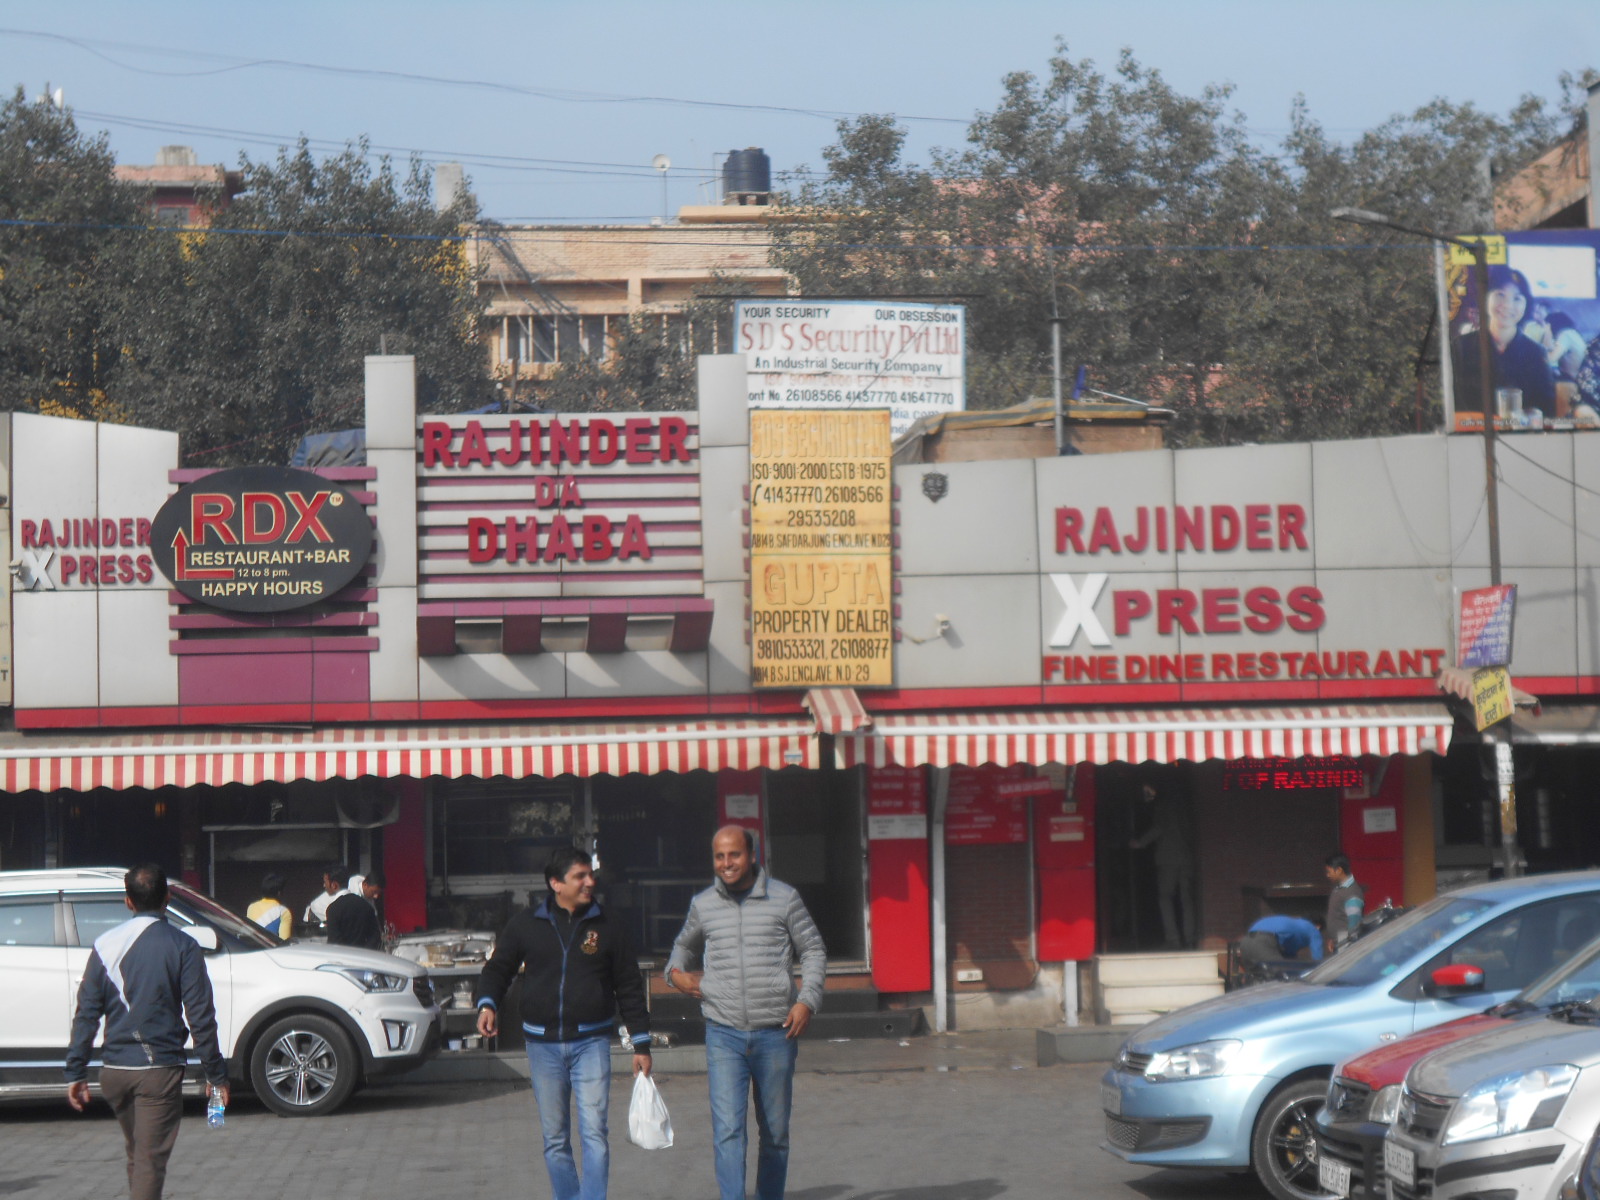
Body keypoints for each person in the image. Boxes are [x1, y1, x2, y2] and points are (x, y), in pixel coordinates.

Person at [475, 847, 651, 1200]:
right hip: (542, 1047)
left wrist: (641, 1042)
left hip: (592, 1043)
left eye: (591, 875)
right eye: (580, 876)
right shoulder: (526, 924)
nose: (590, 882)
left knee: (595, 1134)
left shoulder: (609, 925)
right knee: (555, 1139)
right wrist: (487, 1004)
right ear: (556, 883)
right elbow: (498, 968)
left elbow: (629, 984)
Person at [667, 826, 827, 1200]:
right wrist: (675, 974)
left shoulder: (784, 899)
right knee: (727, 1131)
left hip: (776, 1033)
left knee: (774, 1134)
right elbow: (682, 946)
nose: (727, 863)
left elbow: (814, 951)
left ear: (752, 856)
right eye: (719, 856)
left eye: (734, 855)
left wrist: (807, 1000)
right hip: (723, 1034)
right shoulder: (704, 904)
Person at [65, 864, 229, 1200]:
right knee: (149, 1161)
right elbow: (200, 1016)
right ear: (168, 898)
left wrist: (76, 1072)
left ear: (128, 901)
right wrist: (216, 1075)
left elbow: (87, 1014)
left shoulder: (104, 945)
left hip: (114, 1074)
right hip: (158, 1074)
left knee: (139, 1154)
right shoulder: (183, 946)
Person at [1451, 264, 1556, 418]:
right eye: (1500, 294)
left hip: (1521, 438)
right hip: (1472, 437)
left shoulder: (1536, 353)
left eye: (1517, 298)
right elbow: (1453, 404)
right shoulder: (1460, 347)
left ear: (1526, 305)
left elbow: (1547, 410)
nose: (1508, 305)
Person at [1128, 782, 1196, 949]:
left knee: (1165, 897)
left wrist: (1140, 843)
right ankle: (1190, 937)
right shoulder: (1186, 807)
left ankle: (1173, 939)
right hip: (1186, 857)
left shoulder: (1163, 806)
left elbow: (1159, 827)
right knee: (1187, 899)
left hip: (1168, 858)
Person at [325, 870, 384, 950]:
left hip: (342, 956)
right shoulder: (367, 906)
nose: (376, 896)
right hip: (363, 955)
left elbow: (334, 941)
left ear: (334, 885)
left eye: (326, 883)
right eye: (374, 892)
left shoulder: (332, 909)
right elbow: (375, 936)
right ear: (365, 885)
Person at [1240, 913, 1324, 968]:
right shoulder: (1313, 929)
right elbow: (1317, 960)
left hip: (1246, 940)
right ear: (1318, 926)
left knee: (1255, 976)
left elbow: (1289, 956)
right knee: (1280, 975)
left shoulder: (1296, 925)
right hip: (1265, 940)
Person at [1324, 853, 1366, 954]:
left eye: (1329, 871)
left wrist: (1344, 944)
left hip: (1345, 943)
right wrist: (1333, 939)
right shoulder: (1339, 888)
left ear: (1339, 870)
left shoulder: (1352, 894)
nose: (1327, 875)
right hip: (1338, 940)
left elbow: (1354, 924)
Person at [246, 871, 293, 940]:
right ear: (279, 893)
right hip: (272, 949)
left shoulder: (251, 907)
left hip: (252, 948)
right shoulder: (284, 912)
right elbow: (284, 940)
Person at [302, 862, 347, 928]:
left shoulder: (332, 907)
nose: (324, 885)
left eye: (325, 882)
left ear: (334, 884)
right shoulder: (360, 902)